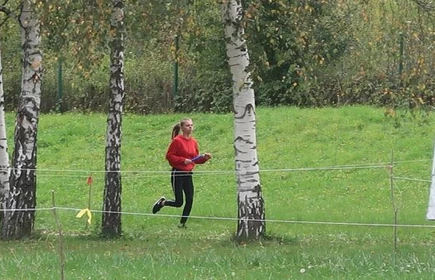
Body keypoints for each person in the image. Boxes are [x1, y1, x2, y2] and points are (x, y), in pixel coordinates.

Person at [152, 118, 211, 228]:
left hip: (188, 174)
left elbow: (195, 159)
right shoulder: (177, 141)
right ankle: (162, 203)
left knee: (190, 199)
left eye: (192, 125)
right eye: (188, 125)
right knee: (179, 202)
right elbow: (169, 156)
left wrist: (204, 158)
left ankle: (182, 223)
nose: (190, 127)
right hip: (178, 173)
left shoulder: (194, 142)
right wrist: (183, 160)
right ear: (182, 127)